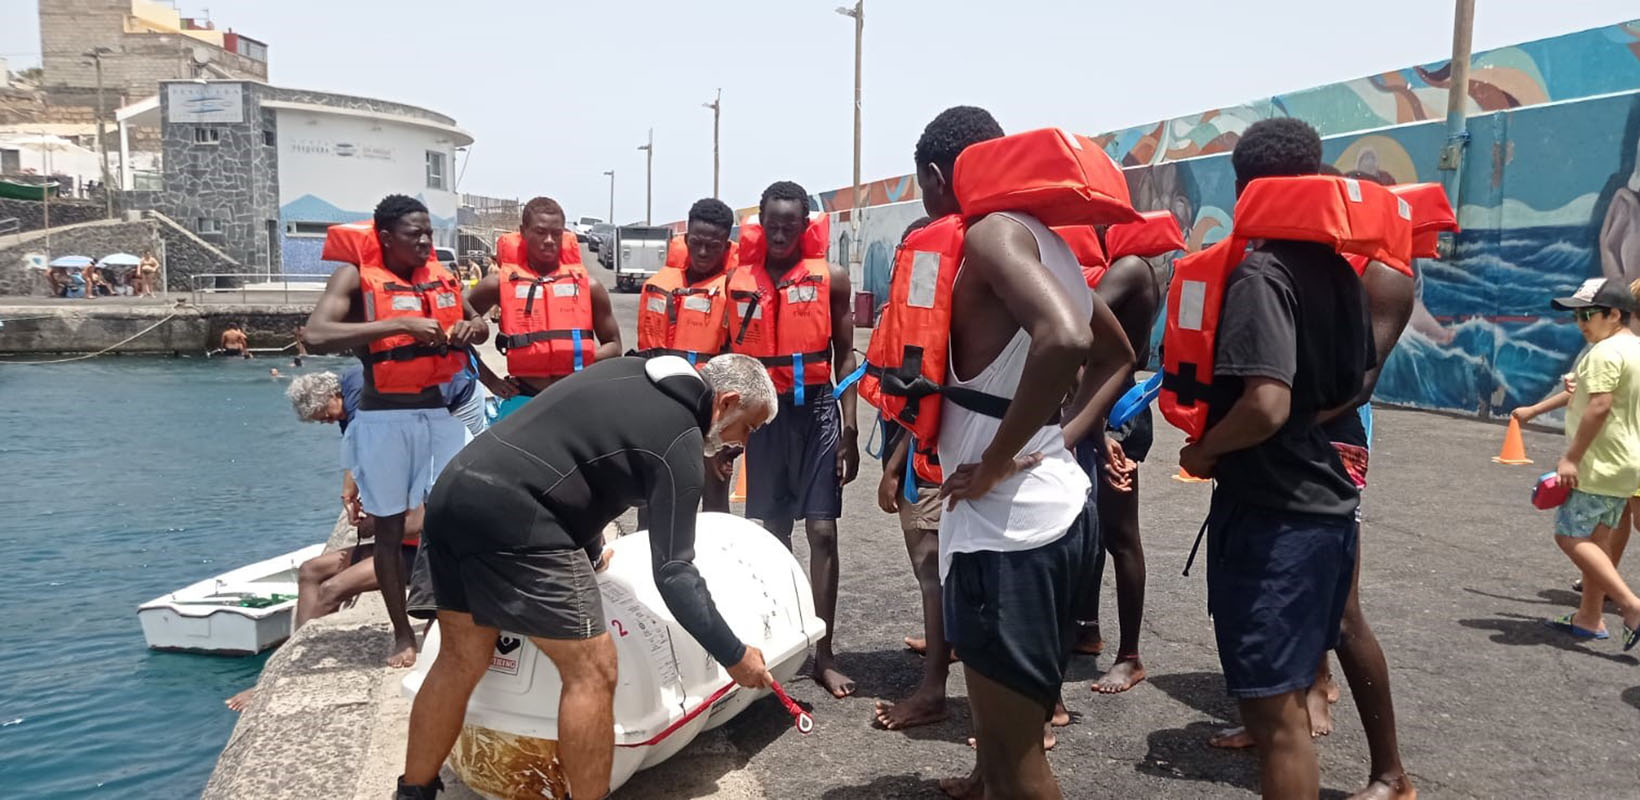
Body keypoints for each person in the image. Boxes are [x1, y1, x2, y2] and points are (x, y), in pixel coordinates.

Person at [397, 354, 779, 800]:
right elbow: (674, 573)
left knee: (460, 658)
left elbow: (578, 455)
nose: (742, 443)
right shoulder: (679, 444)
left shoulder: (629, 372)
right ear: (728, 401)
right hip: (518, 515)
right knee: (593, 668)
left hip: (455, 492)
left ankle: (413, 792)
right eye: (748, 427)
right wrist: (734, 655)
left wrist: (592, 552)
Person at [909, 107, 1133, 800]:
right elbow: (1119, 355)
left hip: (1010, 534)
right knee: (1007, 741)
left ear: (939, 176)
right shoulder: (1047, 241)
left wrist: (1003, 458)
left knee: (1021, 765)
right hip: (1060, 507)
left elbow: (1066, 340)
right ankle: (983, 780)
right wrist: (1055, 439)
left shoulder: (992, 234)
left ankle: (994, 779)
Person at [1174, 118, 1374, 799]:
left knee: (1275, 714)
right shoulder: (1341, 270)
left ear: (1243, 189)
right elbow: (1354, 384)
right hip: (1325, 503)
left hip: (1275, 518)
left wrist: (1203, 451)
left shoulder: (1263, 272)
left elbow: (1266, 404)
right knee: (1282, 700)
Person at [300, 194, 490, 668]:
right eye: (415, 234)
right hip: (385, 419)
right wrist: (397, 324)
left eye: (429, 232)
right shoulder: (355, 276)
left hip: (440, 415)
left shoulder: (440, 276)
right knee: (388, 528)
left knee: (461, 516)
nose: (426, 242)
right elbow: (317, 334)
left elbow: (478, 323)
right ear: (385, 238)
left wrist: (474, 328)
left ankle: (443, 620)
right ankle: (402, 633)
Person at [728, 180, 860, 698]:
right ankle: (781, 640)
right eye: (773, 224)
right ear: (761, 222)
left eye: (791, 224)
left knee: (823, 532)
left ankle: (824, 654)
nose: (781, 233)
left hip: (820, 414)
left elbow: (845, 355)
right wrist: (723, 436)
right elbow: (726, 363)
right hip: (765, 418)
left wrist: (849, 425)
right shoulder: (738, 283)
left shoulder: (833, 279)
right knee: (774, 533)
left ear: (805, 226)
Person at [869, 215, 954, 731]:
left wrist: (893, 468)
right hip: (929, 461)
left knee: (933, 575)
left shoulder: (930, 309)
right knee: (948, 576)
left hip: (926, 465)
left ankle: (933, 689)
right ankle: (945, 653)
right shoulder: (918, 308)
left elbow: (922, 397)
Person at [1077, 239, 1163, 695]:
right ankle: (1086, 629)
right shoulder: (1109, 267)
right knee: (1085, 530)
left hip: (1116, 415)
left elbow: (1076, 317)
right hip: (1093, 407)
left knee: (1120, 535)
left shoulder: (1131, 267)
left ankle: (1130, 657)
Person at [1541, 277, 1640, 650]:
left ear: (1615, 314)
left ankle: (1632, 606)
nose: (1581, 323)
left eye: (1588, 314)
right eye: (1576, 316)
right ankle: (1589, 617)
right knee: (1598, 542)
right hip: (1627, 464)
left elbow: (1599, 405)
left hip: (1599, 463)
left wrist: (1571, 457)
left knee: (1568, 535)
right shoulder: (1635, 348)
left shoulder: (1603, 353)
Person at [465, 197, 622, 420]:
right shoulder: (497, 284)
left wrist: (577, 357)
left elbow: (614, 346)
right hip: (523, 399)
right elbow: (454, 333)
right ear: (523, 232)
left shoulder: (590, 287)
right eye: (540, 232)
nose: (549, 240)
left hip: (576, 397)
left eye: (556, 233)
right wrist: (490, 380)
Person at [637, 197, 740, 513]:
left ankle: (715, 561)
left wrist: (728, 430)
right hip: (660, 406)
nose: (704, 252)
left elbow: (738, 365)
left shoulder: (734, 290)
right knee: (653, 499)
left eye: (714, 245)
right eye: (696, 243)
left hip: (710, 412)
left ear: (726, 244)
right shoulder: (658, 284)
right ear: (685, 239)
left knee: (714, 498)